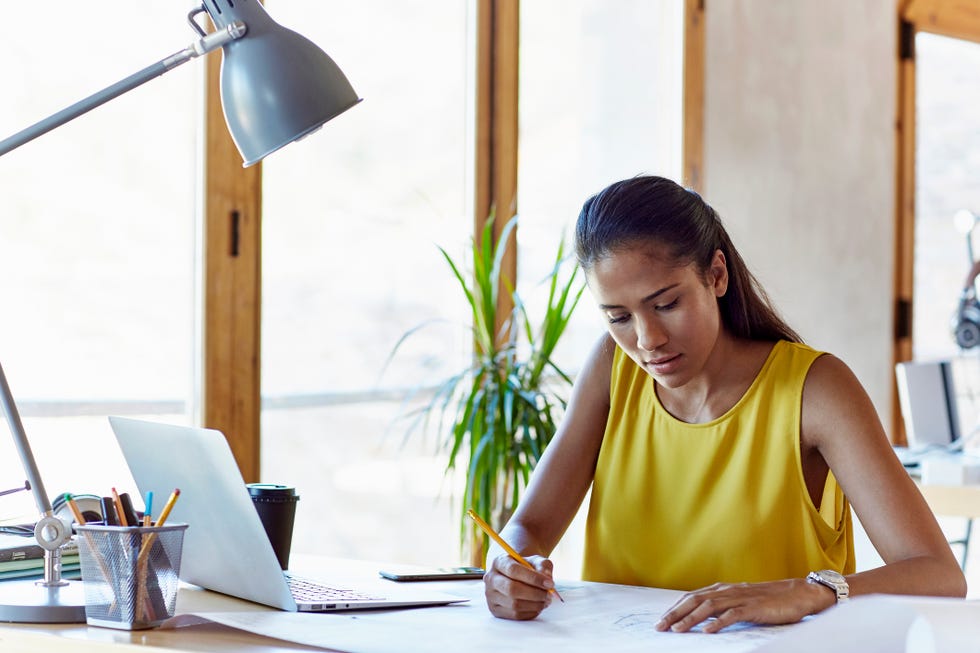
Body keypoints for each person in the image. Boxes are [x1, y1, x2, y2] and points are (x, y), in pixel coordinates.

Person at [481, 175, 967, 632]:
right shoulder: (612, 367)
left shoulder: (815, 389)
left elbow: (940, 575)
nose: (647, 339)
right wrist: (509, 568)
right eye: (619, 316)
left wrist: (811, 591)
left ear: (716, 275)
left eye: (666, 304)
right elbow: (529, 526)